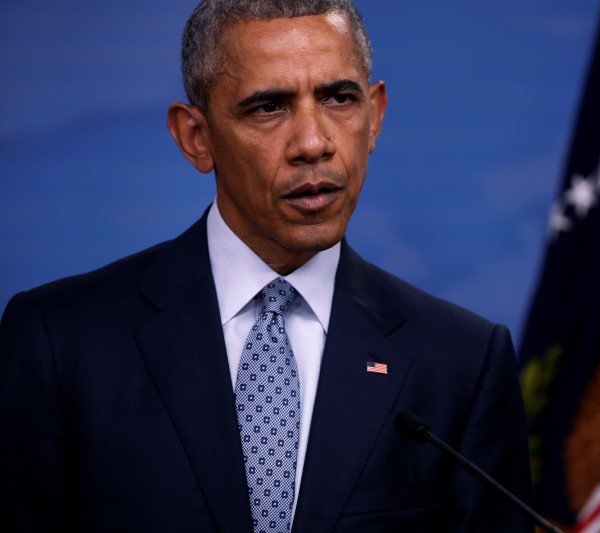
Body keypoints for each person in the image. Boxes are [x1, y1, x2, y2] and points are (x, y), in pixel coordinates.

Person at [0, 0, 533, 531]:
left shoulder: (462, 362)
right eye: (268, 107)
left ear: (375, 116)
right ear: (196, 137)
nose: (314, 143)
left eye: (339, 98)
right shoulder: (59, 342)